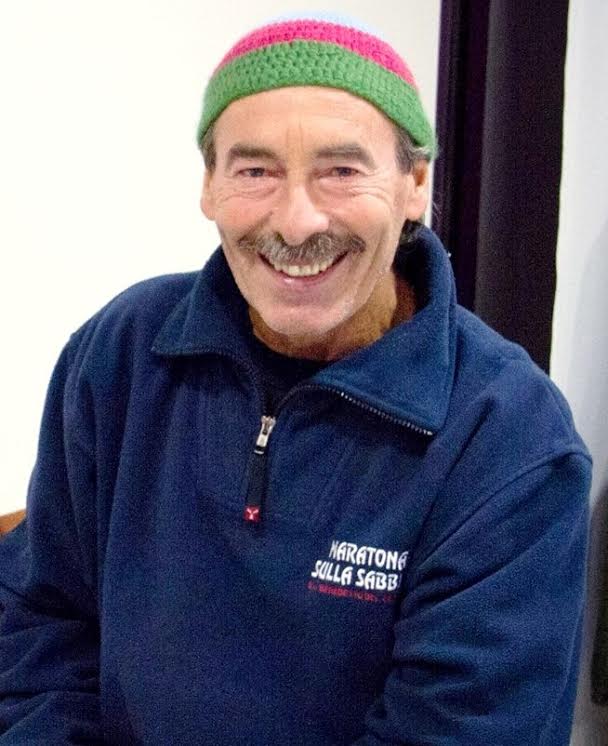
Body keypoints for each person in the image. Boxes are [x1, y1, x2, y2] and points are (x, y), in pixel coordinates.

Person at [0, 14, 591, 745]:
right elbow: (41, 624)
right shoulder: (121, 352)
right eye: (256, 172)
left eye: (341, 171)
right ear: (209, 186)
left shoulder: (510, 439)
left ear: (414, 184)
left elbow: (461, 729)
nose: (298, 221)